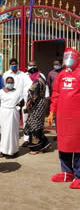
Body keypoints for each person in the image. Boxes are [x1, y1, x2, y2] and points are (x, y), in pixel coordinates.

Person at [48, 48, 80, 189]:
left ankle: (79, 175)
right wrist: (51, 111)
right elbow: (55, 94)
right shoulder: (61, 75)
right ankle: (67, 172)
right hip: (62, 116)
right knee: (64, 143)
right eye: (66, 57)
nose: (68, 59)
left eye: (71, 56)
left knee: (77, 145)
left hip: (77, 115)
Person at [23, 62, 50, 154]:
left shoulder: (36, 82)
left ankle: (36, 148)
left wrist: (27, 106)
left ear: (33, 74)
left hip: (37, 105)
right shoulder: (42, 80)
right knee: (39, 124)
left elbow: (32, 95)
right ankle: (44, 143)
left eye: (30, 74)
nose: (30, 76)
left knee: (34, 125)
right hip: (42, 103)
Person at [0, 77, 24, 158]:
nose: (10, 84)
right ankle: (3, 151)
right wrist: (4, 108)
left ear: (14, 83)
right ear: (5, 83)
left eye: (12, 82)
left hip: (13, 113)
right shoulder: (1, 92)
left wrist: (19, 105)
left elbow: (22, 101)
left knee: (13, 131)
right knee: (5, 131)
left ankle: (14, 151)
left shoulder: (17, 92)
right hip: (4, 113)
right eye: (8, 82)